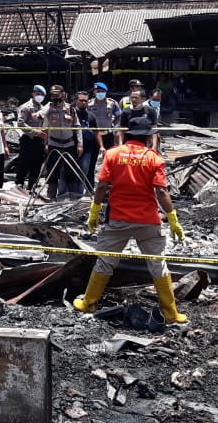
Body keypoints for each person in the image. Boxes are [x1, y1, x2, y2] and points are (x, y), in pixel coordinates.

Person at [74, 113, 188, 324]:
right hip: (148, 220)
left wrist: (94, 211)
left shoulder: (113, 154)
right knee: (157, 263)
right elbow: (161, 192)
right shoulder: (154, 158)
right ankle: (171, 313)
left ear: (127, 135)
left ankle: (88, 303)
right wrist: (173, 219)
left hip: (118, 219)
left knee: (106, 261)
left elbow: (101, 186)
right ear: (147, 137)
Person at [40, 85, 83, 200]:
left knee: (71, 172)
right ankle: (52, 198)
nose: (55, 97)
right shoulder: (48, 108)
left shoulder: (71, 109)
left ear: (63, 95)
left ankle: (73, 199)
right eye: (53, 95)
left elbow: (77, 127)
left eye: (57, 94)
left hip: (69, 145)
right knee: (52, 173)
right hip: (54, 144)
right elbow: (45, 128)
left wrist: (80, 144)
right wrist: (46, 144)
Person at [15, 85, 47, 190]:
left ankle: (32, 185)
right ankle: (19, 184)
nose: (39, 96)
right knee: (24, 163)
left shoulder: (43, 108)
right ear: (33, 94)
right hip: (28, 139)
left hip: (39, 140)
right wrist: (36, 132)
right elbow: (20, 123)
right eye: (38, 94)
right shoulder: (26, 107)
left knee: (37, 164)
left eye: (42, 95)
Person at [72, 90, 101, 196]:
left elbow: (96, 132)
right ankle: (71, 193)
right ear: (76, 101)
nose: (84, 103)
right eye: (81, 100)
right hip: (72, 147)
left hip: (88, 148)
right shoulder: (71, 114)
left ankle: (82, 193)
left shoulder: (91, 116)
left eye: (86, 101)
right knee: (71, 171)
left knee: (86, 170)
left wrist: (101, 146)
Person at [88, 81, 121, 164]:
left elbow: (119, 116)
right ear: (94, 92)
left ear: (105, 92)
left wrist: (115, 126)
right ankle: (90, 177)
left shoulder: (112, 103)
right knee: (92, 161)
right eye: (98, 91)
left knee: (111, 159)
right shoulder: (89, 104)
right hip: (93, 135)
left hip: (108, 135)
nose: (100, 93)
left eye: (102, 91)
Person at [119, 87, 160, 153]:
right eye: (132, 97)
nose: (134, 99)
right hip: (129, 142)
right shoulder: (125, 111)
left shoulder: (150, 110)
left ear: (143, 99)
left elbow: (154, 129)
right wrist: (120, 145)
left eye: (136, 98)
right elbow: (121, 130)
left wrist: (154, 146)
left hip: (146, 142)